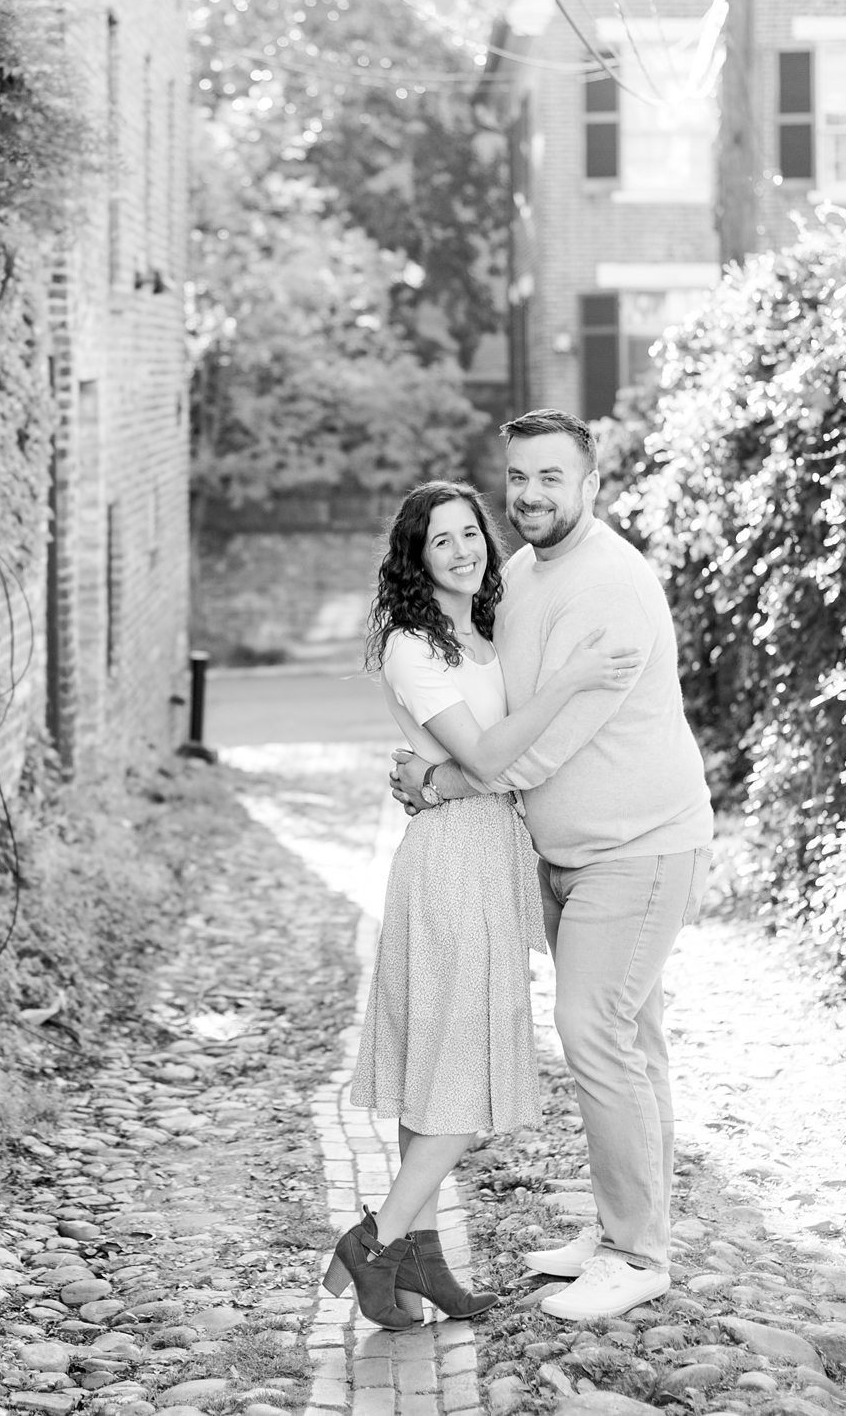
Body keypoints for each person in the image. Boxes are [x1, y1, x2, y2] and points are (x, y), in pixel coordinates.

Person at [391, 410, 714, 1323]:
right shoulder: (523, 573)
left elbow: (528, 752)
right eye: (518, 477)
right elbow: (497, 702)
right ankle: (622, 1224)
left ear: (592, 482)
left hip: (637, 849)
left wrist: (435, 780)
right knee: (631, 1044)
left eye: (551, 477)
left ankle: (635, 1253)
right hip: (568, 854)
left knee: (593, 1032)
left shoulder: (609, 586)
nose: (530, 494)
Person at [323, 479, 641, 1331]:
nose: (464, 549)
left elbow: (483, 757)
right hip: (453, 859)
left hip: (486, 846)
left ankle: (420, 1258)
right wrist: (572, 677)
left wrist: (426, 776)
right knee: (462, 1072)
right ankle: (377, 1238)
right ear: (414, 557)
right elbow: (492, 753)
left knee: (438, 1072)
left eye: (472, 533)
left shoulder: (485, 626)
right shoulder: (411, 646)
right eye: (442, 540)